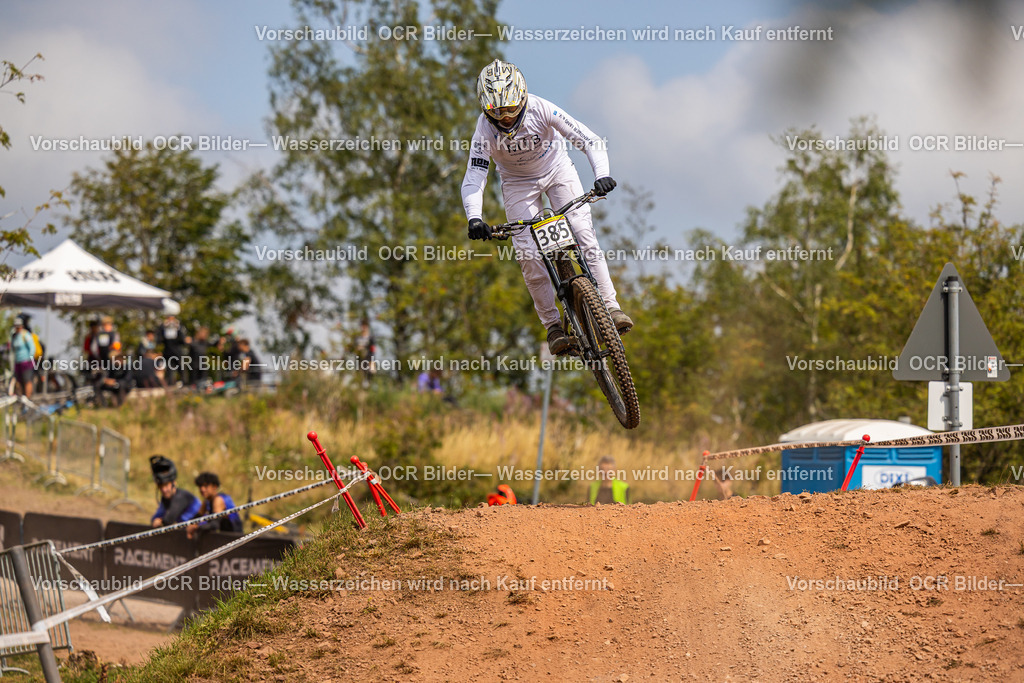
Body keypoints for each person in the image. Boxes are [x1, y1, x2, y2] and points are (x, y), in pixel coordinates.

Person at [462, 59, 633, 356]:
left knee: (582, 232)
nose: (504, 118)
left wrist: (601, 174)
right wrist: (474, 217)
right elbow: (475, 175)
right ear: (485, 108)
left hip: (557, 171)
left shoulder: (542, 109)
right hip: (518, 184)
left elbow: (588, 139)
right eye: (496, 111)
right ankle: (553, 326)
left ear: (523, 98)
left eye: (510, 109)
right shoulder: (483, 132)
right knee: (528, 255)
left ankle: (611, 306)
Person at [186, 472, 242, 538]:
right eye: (200, 486)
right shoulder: (207, 501)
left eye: (206, 486)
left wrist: (196, 527)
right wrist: (190, 525)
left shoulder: (218, 500)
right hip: (224, 536)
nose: (202, 489)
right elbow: (196, 518)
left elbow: (214, 525)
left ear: (214, 487)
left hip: (235, 537)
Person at [149, 455, 201, 527]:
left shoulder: (181, 497)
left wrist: (160, 521)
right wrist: (155, 520)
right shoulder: (165, 499)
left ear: (174, 483)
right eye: (160, 486)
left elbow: (168, 520)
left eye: (166, 485)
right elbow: (156, 516)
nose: (164, 490)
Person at [10, 315, 37, 398]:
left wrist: (29, 358)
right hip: (18, 362)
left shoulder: (26, 335)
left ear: (21, 326)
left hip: (26, 362)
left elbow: (32, 348)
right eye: (16, 326)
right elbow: (12, 349)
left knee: (27, 380)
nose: (17, 328)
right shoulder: (14, 336)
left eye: (18, 326)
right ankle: (22, 398)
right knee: (19, 381)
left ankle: (28, 398)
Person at [157, 315, 188, 385]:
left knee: (182, 369)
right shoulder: (163, 328)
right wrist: (163, 326)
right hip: (168, 353)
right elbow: (159, 340)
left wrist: (178, 328)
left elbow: (183, 341)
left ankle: (185, 384)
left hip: (178, 352)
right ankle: (170, 385)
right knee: (169, 371)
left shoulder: (178, 328)